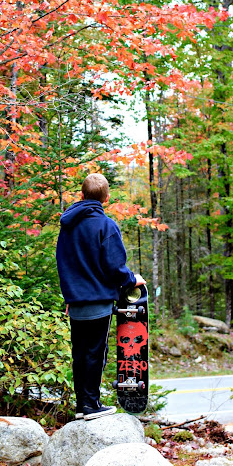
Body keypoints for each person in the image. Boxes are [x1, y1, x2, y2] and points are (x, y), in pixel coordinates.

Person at [56, 172, 146, 421]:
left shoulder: (68, 226)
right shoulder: (106, 226)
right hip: (98, 301)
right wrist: (132, 280)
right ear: (106, 198)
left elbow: (64, 263)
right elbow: (115, 266)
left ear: (82, 195)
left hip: (76, 302)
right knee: (95, 352)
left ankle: (82, 404)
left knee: (80, 352)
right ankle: (91, 405)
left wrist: (69, 297)